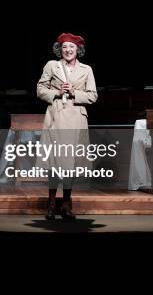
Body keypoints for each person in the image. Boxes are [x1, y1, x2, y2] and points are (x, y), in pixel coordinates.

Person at [36, 33, 97, 220]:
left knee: (71, 164)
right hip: (56, 117)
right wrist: (56, 92)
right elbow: (40, 89)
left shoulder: (86, 69)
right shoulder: (51, 66)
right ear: (59, 49)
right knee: (55, 163)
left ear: (78, 50)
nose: (68, 50)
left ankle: (66, 204)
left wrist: (74, 92)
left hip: (76, 118)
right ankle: (51, 204)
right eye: (64, 47)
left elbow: (93, 96)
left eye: (72, 47)